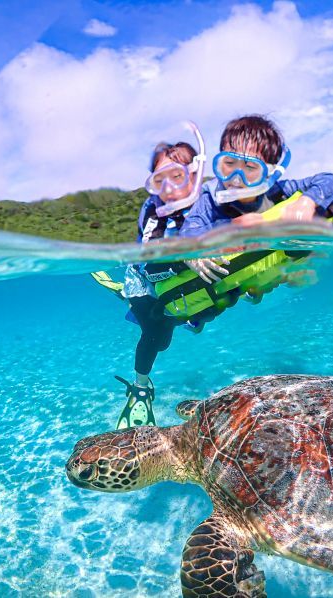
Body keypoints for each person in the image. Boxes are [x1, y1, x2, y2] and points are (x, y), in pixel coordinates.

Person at [180, 114, 333, 283]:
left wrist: (307, 202)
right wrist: (229, 226)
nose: (236, 177)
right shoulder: (210, 200)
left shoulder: (277, 192)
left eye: (250, 167)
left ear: (269, 173)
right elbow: (188, 232)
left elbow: (329, 179)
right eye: (229, 163)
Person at [113, 123, 206, 430]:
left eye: (176, 176)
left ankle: (147, 309)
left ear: (195, 173)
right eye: (159, 180)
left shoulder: (210, 203)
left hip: (179, 283)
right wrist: (185, 260)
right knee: (156, 338)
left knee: (191, 320)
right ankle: (140, 388)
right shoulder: (154, 211)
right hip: (143, 284)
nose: (167, 188)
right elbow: (149, 264)